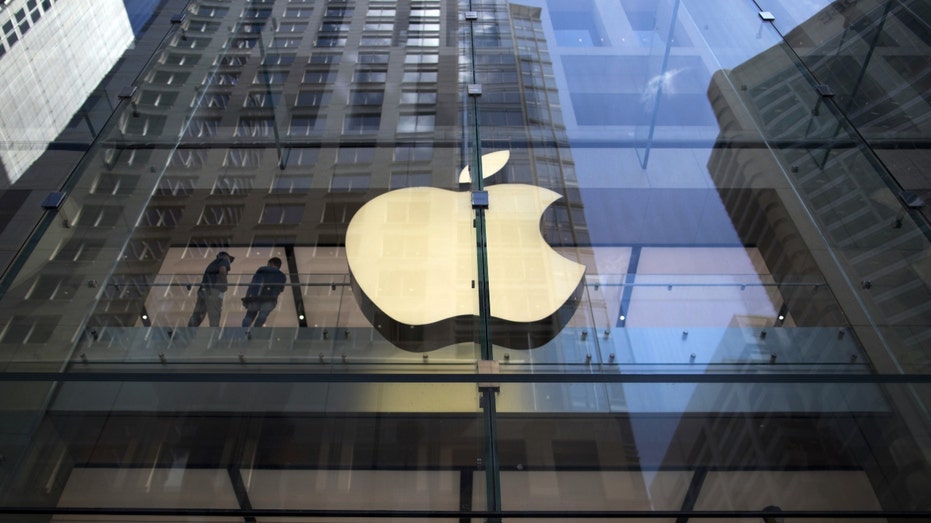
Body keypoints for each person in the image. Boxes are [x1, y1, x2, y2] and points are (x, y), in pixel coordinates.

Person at [241, 257, 288, 334]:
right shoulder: (282, 276)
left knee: (249, 316)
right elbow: (281, 289)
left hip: (255, 297)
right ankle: (254, 333)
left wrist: (247, 297)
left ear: (271, 263)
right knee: (262, 316)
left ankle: (244, 332)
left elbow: (252, 285)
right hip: (270, 299)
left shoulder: (261, 270)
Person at [188, 251, 234, 327]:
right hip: (213, 292)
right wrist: (224, 285)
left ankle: (189, 334)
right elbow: (222, 270)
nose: (229, 262)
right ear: (226, 256)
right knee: (214, 317)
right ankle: (214, 336)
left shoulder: (212, 264)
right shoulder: (224, 259)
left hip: (203, 291)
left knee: (198, 315)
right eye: (230, 260)